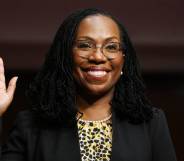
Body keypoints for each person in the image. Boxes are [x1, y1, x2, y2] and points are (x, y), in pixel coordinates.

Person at [0, 8, 177, 161]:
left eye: (111, 47)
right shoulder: (30, 125)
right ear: (65, 57)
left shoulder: (151, 123)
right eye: (85, 45)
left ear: (124, 59)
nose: (98, 57)